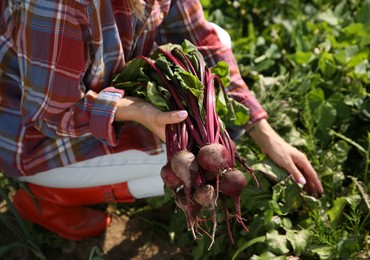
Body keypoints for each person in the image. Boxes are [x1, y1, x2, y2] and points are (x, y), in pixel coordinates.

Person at [0, 0, 323, 240]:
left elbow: (197, 37)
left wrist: (262, 129)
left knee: (216, 43)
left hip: (105, 91)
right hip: (31, 134)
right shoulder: (55, 6)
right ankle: (48, 196)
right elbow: (51, 113)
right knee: (173, 164)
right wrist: (139, 112)